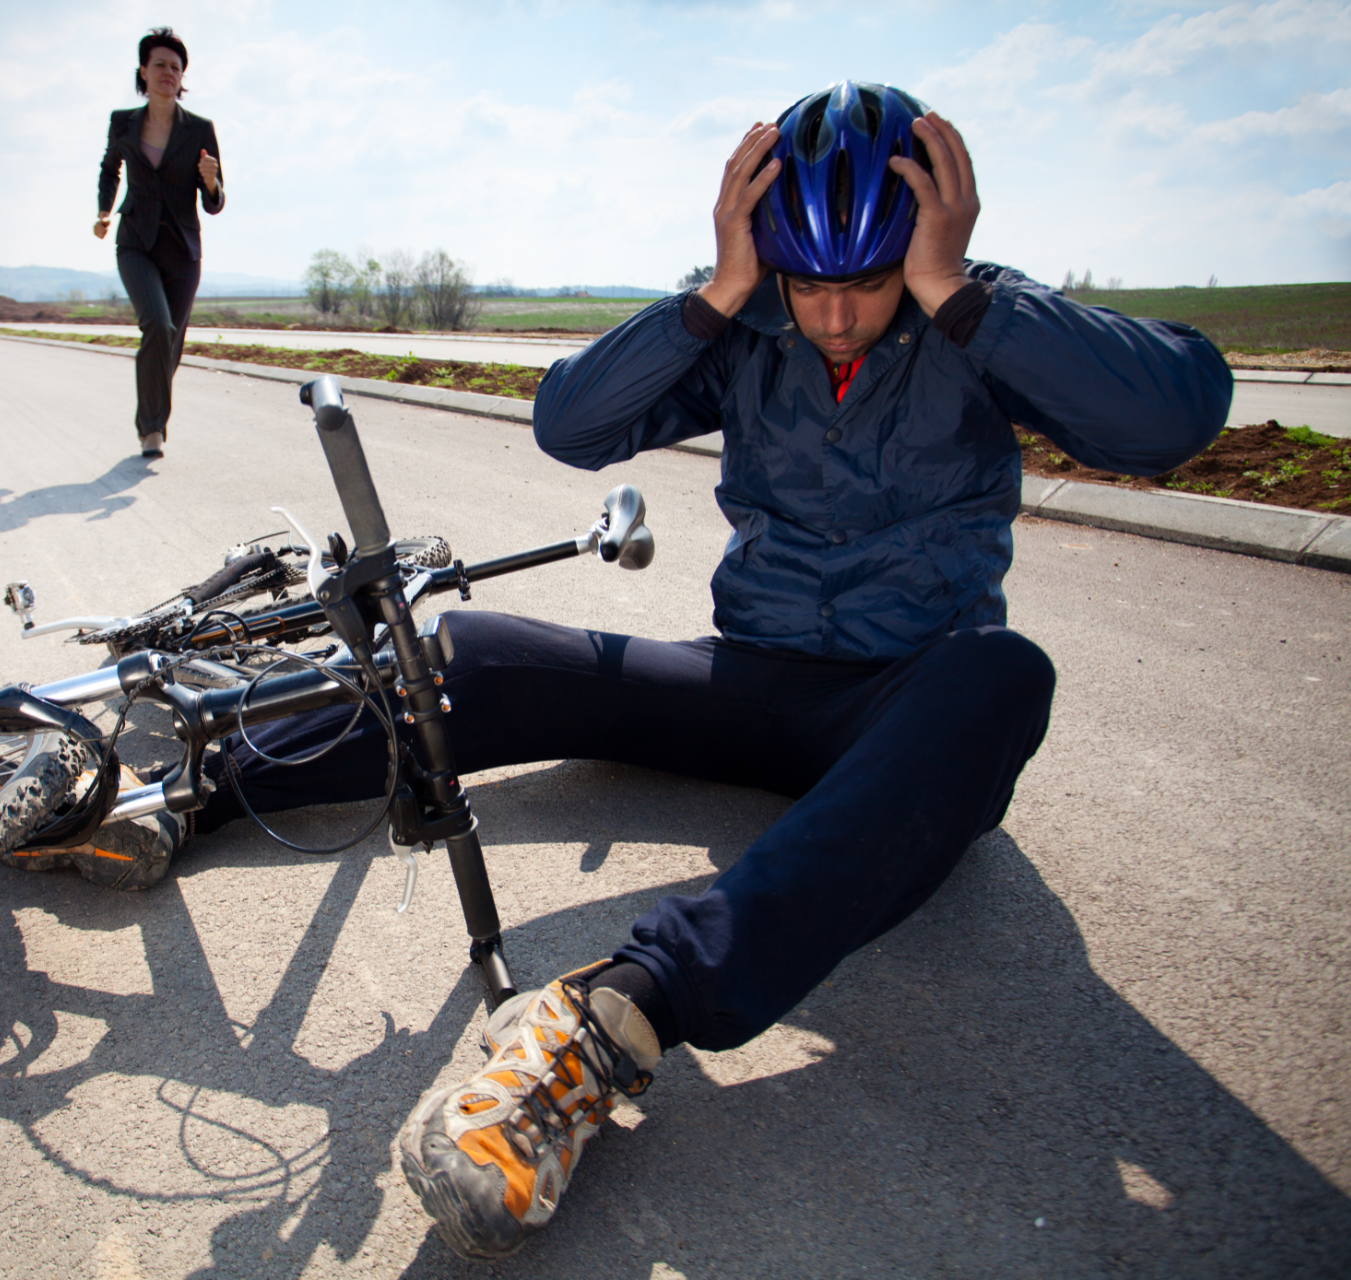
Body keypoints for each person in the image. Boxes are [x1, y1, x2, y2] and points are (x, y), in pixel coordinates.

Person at [75, 81, 1234, 1258]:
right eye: (808, 283)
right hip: (748, 679)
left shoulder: (976, 316)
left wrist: (956, 294)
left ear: (927, 244)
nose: (836, 316)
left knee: (1005, 673)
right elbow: (569, 424)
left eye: (873, 279)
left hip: (907, 707)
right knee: (485, 650)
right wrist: (718, 293)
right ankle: (187, 792)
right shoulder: (752, 324)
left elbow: (1176, 417)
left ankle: (614, 1018)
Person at [96, 27, 224, 460]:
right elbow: (110, 169)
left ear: (182, 76)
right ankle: (152, 429)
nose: (168, 72)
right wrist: (103, 211)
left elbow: (214, 202)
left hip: (183, 251)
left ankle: (152, 410)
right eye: (160, 65)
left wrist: (211, 182)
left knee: (171, 343)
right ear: (143, 72)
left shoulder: (200, 129)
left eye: (176, 67)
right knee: (157, 324)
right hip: (136, 242)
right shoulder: (123, 122)